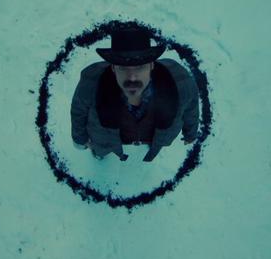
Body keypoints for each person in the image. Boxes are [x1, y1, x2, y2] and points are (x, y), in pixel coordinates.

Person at [71, 24, 199, 162]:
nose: (132, 77)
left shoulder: (180, 81)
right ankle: (101, 153)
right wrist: (80, 139)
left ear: (151, 64)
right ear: (113, 67)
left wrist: (190, 133)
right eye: (123, 68)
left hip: (153, 135)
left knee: (154, 139)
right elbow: (78, 111)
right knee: (102, 148)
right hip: (105, 139)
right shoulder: (91, 82)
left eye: (140, 67)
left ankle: (150, 142)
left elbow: (191, 107)